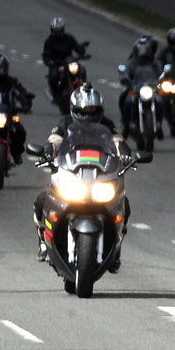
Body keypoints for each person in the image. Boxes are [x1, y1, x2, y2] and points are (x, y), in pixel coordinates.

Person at [34, 84, 133, 269]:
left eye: (92, 108)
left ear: (99, 109)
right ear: (75, 109)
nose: (88, 112)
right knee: (42, 201)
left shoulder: (107, 125)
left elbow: (117, 141)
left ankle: (116, 248)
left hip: (99, 174)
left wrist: (125, 152)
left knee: (123, 204)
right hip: (72, 173)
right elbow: (55, 139)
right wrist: (48, 150)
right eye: (84, 109)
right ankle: (43, 241)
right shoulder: (65, 124)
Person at [118, 36, 164, 141]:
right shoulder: (132, 62)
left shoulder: (155, 63)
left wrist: (163, 79)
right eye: (141, 50)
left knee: (161, 101)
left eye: (146, 50)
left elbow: (161, 74)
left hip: (152, 90)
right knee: (126, 101)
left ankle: (159, 124)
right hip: (135, 90)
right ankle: (126, 124)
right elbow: (125, 73)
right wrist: (124, 78)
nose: (144, 53)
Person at [41, 17, 87, 99]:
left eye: (59, 30)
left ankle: (84, 87)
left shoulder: (69, 38)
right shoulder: (49, 41)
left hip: (69, 62)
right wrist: (49, 61)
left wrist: (82, 52)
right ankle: (55, 94)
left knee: (82, 70)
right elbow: (46, 54)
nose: (57, 32)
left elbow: (76, 46)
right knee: (54, 75)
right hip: (56, 63)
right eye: (55, 29)